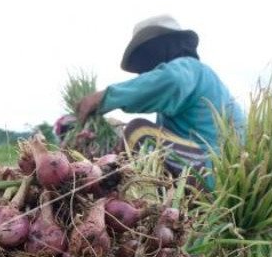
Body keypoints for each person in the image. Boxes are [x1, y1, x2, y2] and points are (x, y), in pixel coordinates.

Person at [77, 14, 244, 189]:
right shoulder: (195, 82)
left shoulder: (188, 68)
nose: (145, 70)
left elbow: (171, 79)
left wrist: (106, 97)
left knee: (139, 132)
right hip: (215, 168)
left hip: (213, 171)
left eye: (147, 57)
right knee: (127, 146)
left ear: (163, 46)